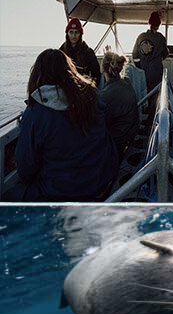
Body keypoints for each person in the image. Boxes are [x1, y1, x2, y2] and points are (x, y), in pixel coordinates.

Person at [12, 49, 118, 202]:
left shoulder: (36, 113)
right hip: (102, 181)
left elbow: (25, 169)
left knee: (10, 195)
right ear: (69, 70)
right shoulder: (92, 96)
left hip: (63, 192)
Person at [100, 52, 139, 156]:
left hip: (118, 139)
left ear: (102, 69)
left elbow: (101, 123)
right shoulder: (126, 83)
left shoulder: (106, 94)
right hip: (130, 131)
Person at [131, 11, 168, 92]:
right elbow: (166, 53)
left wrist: (140, 67)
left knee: (144, 91)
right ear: (158, 25)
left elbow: (134, 55)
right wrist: (158, 59)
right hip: (156, 70)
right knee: (156, 92)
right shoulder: (161, 38)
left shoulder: (141, 36)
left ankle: (145, 105)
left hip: (143, 70)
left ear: (149, 23)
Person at [59, 18, 101, 85]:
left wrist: (90, 87)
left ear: (80, 34)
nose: (74, 36)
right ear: (67, 34)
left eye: (76, 32)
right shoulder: (61, 53)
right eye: (71, 32)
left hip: (83, 88)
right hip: (65, 88)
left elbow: (96, 74)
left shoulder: (88, 52)